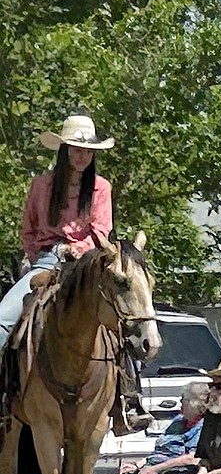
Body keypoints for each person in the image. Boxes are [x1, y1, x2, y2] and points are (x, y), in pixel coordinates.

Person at [0, 112, 149, 430]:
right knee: (3, 317)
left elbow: (102, 231)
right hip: (45, 262)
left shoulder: (100, 188)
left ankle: (129, 400)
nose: (82, 155)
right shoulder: (41, 185)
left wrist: (78, 253)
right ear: (64, 150)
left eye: (87, 150)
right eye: (75, 148)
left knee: (122, 319)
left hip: (87, 267)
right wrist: (40, 256)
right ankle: (7, 394)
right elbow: (28, 229)